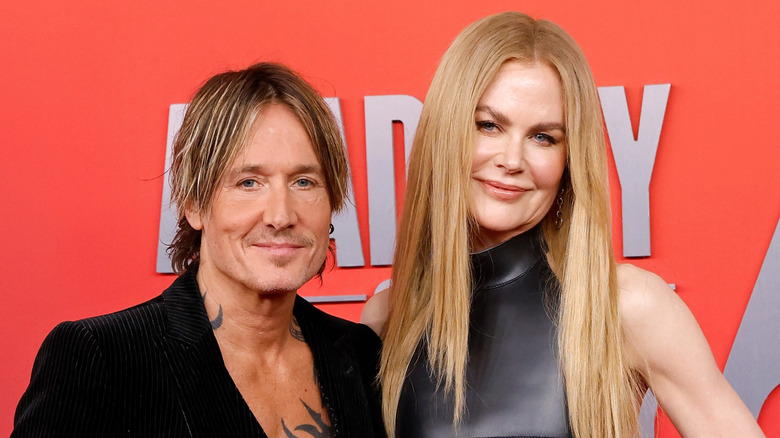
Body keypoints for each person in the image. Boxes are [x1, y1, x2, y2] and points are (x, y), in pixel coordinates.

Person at [361, 12, 764, 438]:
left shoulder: (625, 306)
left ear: (568, 162)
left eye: (543, 137)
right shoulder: (388, 320)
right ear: (445, 133)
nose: (512, 160)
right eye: (488, 125)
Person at [13, 62, 384, 437]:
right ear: (193, 203)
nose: (281, 215)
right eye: (248, 182)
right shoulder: (101, 358)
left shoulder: (360, 355)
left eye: (304, 182)